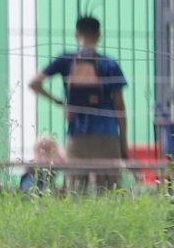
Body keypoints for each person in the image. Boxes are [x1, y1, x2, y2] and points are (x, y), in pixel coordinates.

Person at [31, 15, 128, 191]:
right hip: (106, 134)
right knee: (109, 189)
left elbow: (34, 83)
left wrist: (60, 102)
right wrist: (123, 141)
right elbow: (119, 105)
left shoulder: (66, 60)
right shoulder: (109, 64)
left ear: (76, 34)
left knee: (75, 189)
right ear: (99, 35)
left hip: (77, 134)